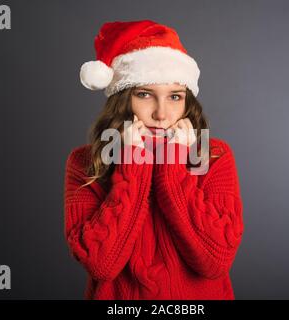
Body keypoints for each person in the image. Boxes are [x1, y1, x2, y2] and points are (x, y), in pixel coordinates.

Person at [64, 19, 244, 300]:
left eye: (175, 96)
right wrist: (133, 164)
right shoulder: (85, 162)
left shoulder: (214, 156)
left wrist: (172, 165)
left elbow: (215, 261)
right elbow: (101, 264)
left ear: (187, 102)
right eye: (145, 94)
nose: (161, 114)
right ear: (122, 99)